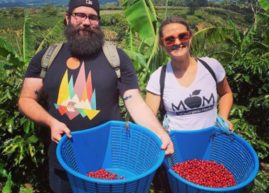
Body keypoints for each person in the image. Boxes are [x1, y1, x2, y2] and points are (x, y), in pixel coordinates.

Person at [18, 0, 174, 192]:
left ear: (98, 22)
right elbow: (26, 99)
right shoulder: (47, 57)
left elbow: (134, 101)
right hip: (62, 163)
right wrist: (51, 122)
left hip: (108, 161)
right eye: (79, 15)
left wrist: (159, 132)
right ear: (67, 18)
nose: (86, 22)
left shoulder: (116, 58)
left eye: (92, 17)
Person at [145, 16, 233, 193]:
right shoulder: (159, 77)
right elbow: (148, 117)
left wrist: (223, 117)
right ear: (163, 44)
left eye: (182, 36)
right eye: (170, 39)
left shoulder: (211, 66)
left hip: (211, 144)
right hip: (178, 151)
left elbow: (226, 93)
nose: (177, 42)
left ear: (190, 37)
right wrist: (161, 132)